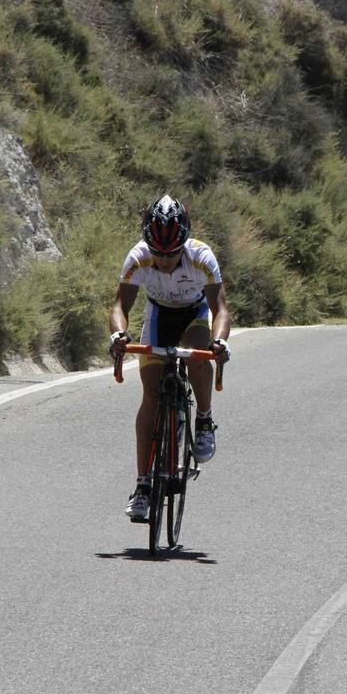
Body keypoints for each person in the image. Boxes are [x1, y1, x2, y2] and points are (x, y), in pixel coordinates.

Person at [108, 195, 231, 523]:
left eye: (172, 254)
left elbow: (220, 310)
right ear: (149, 245)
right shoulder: (138, 257)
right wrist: (119, 335)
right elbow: (120, 307)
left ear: (184, 245)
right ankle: (143, 486)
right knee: (150, 395)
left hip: (194, 314)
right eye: (159, 253)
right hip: (159, 316)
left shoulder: (202, 256)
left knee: (197, 356)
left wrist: (218, 341)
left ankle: (203, 419)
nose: (164, 261)